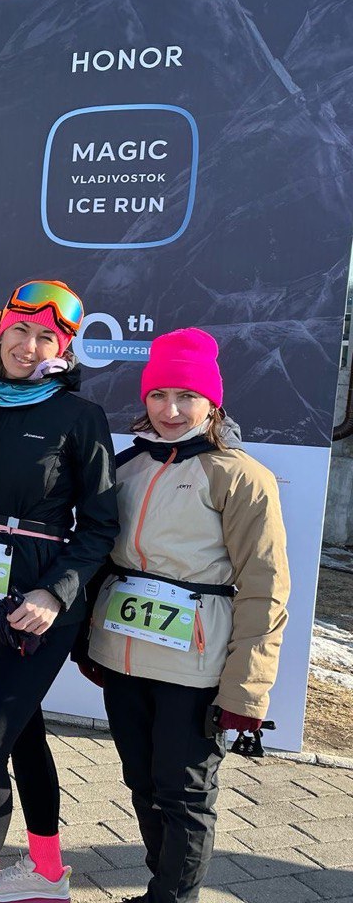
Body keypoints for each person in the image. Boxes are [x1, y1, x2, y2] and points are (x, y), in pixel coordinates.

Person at [80, 328, 289, 903]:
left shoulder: (240, 476)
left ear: (212, 402)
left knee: (185, 793)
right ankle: (162, 889)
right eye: (158, 395)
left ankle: (174, 899)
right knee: (142, 783)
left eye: (186, 397)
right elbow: (99, 557)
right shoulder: (128, 465)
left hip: (195, 668)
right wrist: (87, 643)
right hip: (123, 658)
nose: (169, 411)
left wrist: (247, 689)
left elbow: (266, 588)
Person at [0, 280, 119, 903]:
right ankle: (47, 873)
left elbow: (100, 526)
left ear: (64, 347)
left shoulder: (80, 417)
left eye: (47, 336)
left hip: (41, 607)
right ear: (0, 330)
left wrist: (55, 595)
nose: (29, 345)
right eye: (20, 329)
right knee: (23, 732)